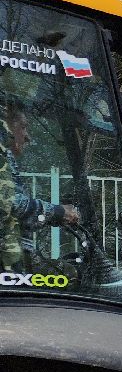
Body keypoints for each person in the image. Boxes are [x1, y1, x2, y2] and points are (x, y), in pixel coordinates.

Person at [0, 103, 79, 272]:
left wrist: (52, 216)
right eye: (23, 127)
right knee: (71, 275)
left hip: (15, 259)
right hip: (7, 264)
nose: (27, 136)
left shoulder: (6, 159)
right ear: (5, 124)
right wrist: (57, 212)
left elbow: (18, 218)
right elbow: (9, 203)